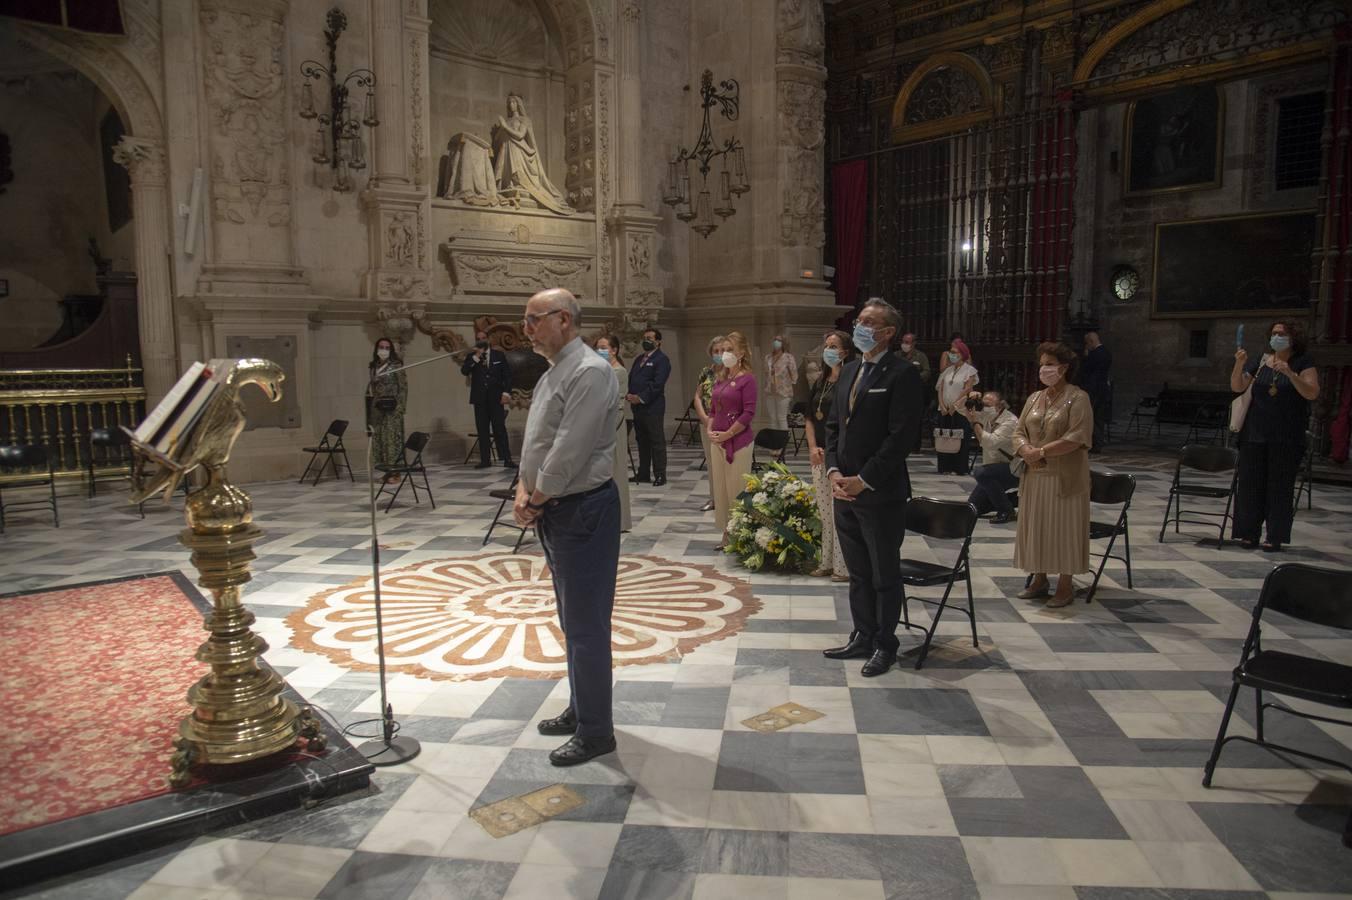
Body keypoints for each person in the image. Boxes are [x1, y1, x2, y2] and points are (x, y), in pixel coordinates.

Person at [513, 288, 621, 766]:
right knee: (571, 617)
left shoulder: (591, 372)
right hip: (556, 506)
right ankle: (582, 709)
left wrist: (536, 496)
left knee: (586, 625)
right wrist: (522, 487)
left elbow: (569, 449)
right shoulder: (554, 372)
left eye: (533, 319)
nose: (526, 328)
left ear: (563, 319)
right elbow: (536, 441)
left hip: (583, 509)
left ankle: (598, 731)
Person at [822, 299, 925, 677]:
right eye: (859, 321)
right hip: (843, 490)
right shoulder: (848, 370)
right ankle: (862, 634)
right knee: (858, 572)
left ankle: (886, 643)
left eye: (868, 323)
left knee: (883, 573)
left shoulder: (902, 374)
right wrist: (834, 472)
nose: (859, 327)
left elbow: (901, 439)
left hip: (879, 493)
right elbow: (835, 426)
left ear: (887, 333)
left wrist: (863, 480)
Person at [1011, 342, 1093, 609]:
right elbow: (1018, 430)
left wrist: (1041, 450)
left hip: (1063, 477)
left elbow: (1077, 437)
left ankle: (1065, 585)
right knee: (1038, 529)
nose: (1043, 369)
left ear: (1064, 367)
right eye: (1042, 364)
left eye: (1049, 364)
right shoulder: (1035, 398)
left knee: (1064, 530)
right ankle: (1039, 579)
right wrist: (1025, 449)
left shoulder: (1078, 397)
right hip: (1035, 475)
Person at [1230, 320, 1319, 552]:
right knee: (1250, 485)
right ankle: (1248, 533)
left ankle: (1275, 536)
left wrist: (1290, 373)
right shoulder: (1261, 360)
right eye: (1274, 333)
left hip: (1286, 435)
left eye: (1281, 333)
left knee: (1279, 487)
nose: (1276, 337)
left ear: (1293, 337)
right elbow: (1237, 387)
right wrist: (1239, 365)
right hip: (1255, 432)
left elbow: (1311, 392)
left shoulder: (1303, 362)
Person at [805, 330, 852, 580]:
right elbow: (810, 419)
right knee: (824, 514)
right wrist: (813, 448)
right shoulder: (820, 382)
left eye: (834, 346)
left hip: (840, 457)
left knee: (840, 513)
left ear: (845, 351)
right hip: (819, 455)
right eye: (827, 346)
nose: (829, 350)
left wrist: (833, 451)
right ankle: (825, 562)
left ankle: (843, 567)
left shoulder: (850, 381)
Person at [708, 332, 758, 546]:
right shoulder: (721, 378)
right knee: (720, 489)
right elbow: (712, 410)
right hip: (717, 441)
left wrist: (728, 434)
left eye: (730, 350)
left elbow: (748, 413)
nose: (725, 354)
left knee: (736, 489)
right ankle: (726, 532)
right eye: (723, 349)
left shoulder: (748, 379)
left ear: (742, 353)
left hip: (738, 442)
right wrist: (710, 430)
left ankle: (739, 532)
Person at [961, 389, 1020, 524]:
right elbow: (958, 407)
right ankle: (1019, 500)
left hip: (1013, 469)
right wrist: (969, 398)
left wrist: (975, 422)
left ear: (1000, 406)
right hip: (994, 470)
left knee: (981, 473)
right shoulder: (986, 416)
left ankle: (1006, 511)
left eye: (988, 406)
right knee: (973, 507)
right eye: (983, 404)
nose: (984, 408)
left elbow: (989, 443)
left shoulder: (1010, 422)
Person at [460, 330, 515, 469]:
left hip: (496, 398)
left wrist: (506, 393)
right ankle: (485, 460)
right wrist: (477, 356)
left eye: (484, 338)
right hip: (479, 399)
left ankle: (507, 459)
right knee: (482, 430)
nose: (481, 340)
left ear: (489, 339)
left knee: (500, 429)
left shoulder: (499, 355)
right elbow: (465, 371)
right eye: (478, 338)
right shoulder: (472, 356)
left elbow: (507, 376)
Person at [595, 335, 632, 533]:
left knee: (616, 473)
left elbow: (618, 406)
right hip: (598, 428)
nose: (599, 351)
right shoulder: (602, 371)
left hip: (612, 429)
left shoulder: (619, 372)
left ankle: (620, 520)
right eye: (597, 348)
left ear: (614, 350)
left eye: (603, 347)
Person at [627, 326, 671, 486]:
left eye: (650, 338)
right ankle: (643, 473)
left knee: (656, 441)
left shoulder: (662, 360)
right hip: (637, 407)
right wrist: (630, 395)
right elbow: (632, 378)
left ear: (658, 342)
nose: (646, 341)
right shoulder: (639, 359)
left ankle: (660, 475)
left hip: (652, 407)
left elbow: (657, 384)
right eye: (645, 337)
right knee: (642, 441)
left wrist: (641, 397)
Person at [366, 338, 407, 484]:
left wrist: (401, 408)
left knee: (392, 441)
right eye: (381, 347)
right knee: (381, 441)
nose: (384, 350)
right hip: (378, 409)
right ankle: (386, 471)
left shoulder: (396, 366)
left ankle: (395, 473)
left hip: (392, 409)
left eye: (387, 347)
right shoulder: (373, 366)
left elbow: (403, 388)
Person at [935, 338, 978, 475]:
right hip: (944, 409)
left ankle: (959, 468)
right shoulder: (947, 371)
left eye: (954, 352)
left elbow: (967, 389)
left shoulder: (969, 370)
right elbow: (940, 388)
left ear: (962, 354)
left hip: (959, 409)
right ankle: (944, 467)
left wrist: (954, 405)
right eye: (951, 352)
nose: (951, 355)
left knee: (959, 439)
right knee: (944, 437)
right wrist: (942, 404)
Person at [693, 336, 726, 513]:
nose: (719, 354)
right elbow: (697, 396)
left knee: (726, 464)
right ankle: (714, 498)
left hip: (727, 426)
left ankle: (727, 499)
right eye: (716, 351)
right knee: (712, 463)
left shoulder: (732, 372)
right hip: (707, 424)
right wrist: (705, 419)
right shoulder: (706, 372)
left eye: (722, 351)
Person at [899, 332, 932, 453]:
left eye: (907, 342)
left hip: (915, 392)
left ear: (913, 343)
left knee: (915, 420)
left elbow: (927, 372)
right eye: (903, 342)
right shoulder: (897, 355)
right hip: (900, 392)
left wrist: (914, 377)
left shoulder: (920, 356)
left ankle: (914, 446)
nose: (904, 345)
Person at [1081, 331, 1112, 453]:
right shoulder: (1106, 353)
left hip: (1093, 390)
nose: (1086, 346)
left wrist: (1086, 356)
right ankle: (1098, 443)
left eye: (1087, 343)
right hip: (1102, 389)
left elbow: (1086, 370)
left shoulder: (1094, 355)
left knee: (1091, 416)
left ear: (1091, 341)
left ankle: (1093, 443)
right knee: (1099, 418)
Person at [764, 332, 798, 435]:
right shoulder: (768, 357)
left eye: (779, 340)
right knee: (772, 419)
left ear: (783, 343)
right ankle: (774, 444)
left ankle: (782, 443)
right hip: (770, 391)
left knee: (781, 418)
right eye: (775, 340)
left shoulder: (788, 357)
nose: (776, 342)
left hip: (784, 391)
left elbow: (794, 375)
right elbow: (766, 373)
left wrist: (786, 381)